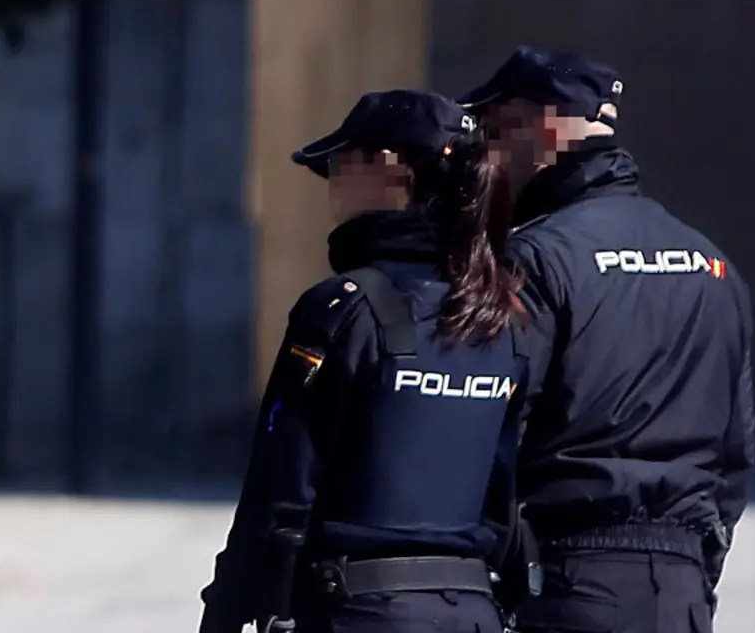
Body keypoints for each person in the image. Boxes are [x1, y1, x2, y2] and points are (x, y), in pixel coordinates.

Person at [199, 90, 533, 633]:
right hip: (472, 613)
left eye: (337, 165)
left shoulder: (341, 308)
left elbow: (280, 489)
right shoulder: (503, 320)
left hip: (359, 613)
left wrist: (227, 613)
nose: (330, 187)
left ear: (388, 168)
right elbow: (503, 501)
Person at [457, 47, 755, 633]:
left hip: (569, 581)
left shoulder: (535, 257)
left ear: (538, 124)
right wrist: (696, 560)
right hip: (681, 590)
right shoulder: (712, 263)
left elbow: (496, 424)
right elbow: (736, 451)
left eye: (491, 134)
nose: (485, 160)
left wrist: (502, 567)